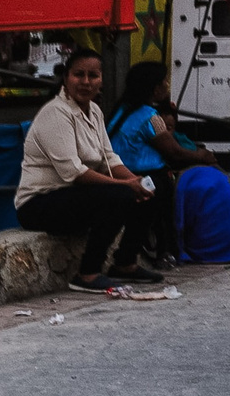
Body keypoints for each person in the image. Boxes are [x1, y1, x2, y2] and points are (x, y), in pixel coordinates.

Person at [15, 45, 155, 294]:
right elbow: (74, 172)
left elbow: (108, 158)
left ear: (101, 80)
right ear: (66, 78)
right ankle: (87, 274)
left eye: (93, 76)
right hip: (39, 204)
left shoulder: (94, 111)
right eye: (79, 75)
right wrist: (126, 186)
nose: (86, 82)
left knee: (153, 188)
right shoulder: (56, 113)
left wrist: (136, 180)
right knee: (121, 195)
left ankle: (125, 263)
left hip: (74, 198)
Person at [108, 60, 220, 270]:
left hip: (119, 172)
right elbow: (174, 152)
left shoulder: (120, 110)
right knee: (165, 191)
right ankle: (165, 251)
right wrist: (202, 156)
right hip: (142, 175)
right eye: (164, 81)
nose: (167, 85)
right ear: (154, 87)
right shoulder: (151, 116)